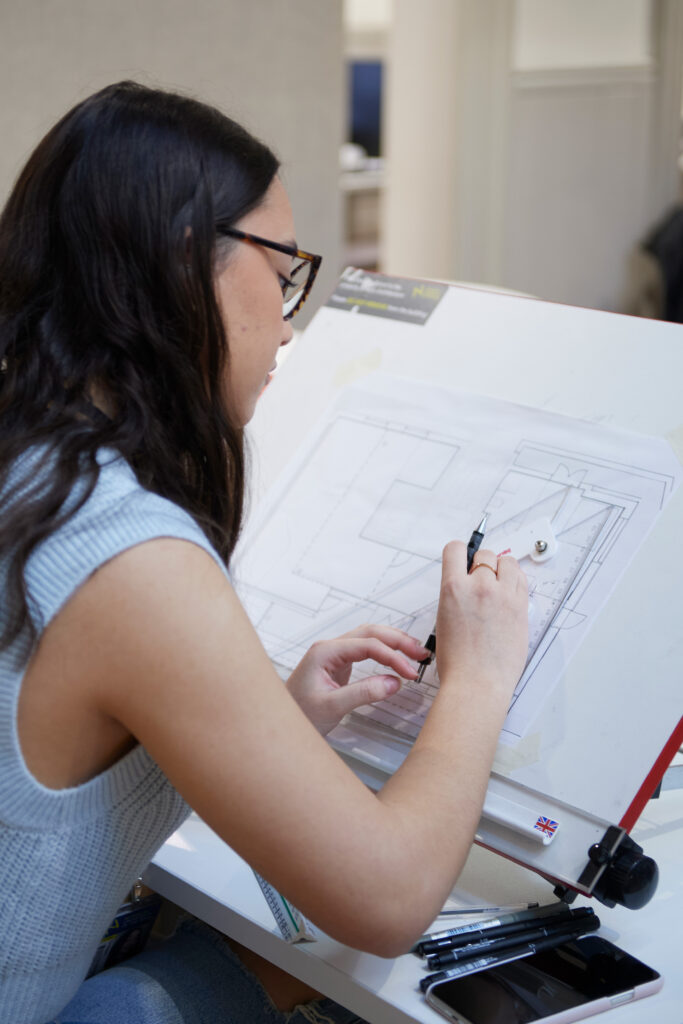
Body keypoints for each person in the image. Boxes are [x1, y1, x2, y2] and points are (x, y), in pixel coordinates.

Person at [0, 81, 529, 1024]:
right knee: (306, 974)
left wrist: (277, 719)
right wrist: (478, 680)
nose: (288, 321)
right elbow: (390, 900)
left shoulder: (30, 452)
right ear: (177, 259)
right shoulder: (127, 554)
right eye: (282, 267)